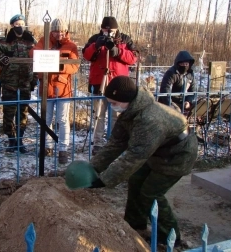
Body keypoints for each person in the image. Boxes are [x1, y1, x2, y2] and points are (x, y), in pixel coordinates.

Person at [84, 76, 198, 247]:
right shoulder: (130, 112)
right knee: (136, 180)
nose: (111, 105)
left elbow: (134, 157)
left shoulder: (149, 119)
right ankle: (135, 225)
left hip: (177, 155)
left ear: (126, 100)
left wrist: (104, 180)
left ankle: (169, 238)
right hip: (156, 151)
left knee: (151, 193)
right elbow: (116, 144)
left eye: (113, 102)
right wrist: (93, 168)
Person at [82, 16, 138, 154]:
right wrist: (96, 46)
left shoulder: (125, 39)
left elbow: (133, 58)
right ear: (101, 29)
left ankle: (115, 141)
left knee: (116, 115)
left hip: (118, 84)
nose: (108, 33)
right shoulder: (95, 39)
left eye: (111, 30)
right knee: (99, 114)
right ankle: (98, 142)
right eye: (105, 30)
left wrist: (118, 51)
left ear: (116, 29)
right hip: (98, 82)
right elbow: (86, 55)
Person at [30, 18, 79, 164]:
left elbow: (75, 66)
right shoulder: (44, 41)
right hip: (46, 87)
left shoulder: (71, 46)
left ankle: (63, 149)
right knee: (46, 119)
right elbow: (33, 54)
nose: (60, 34)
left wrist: (61, 66)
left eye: (62, 31)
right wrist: (47, 53)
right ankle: (47, 146)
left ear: (66, 31)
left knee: (62, 120)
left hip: (63, 89)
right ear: (52, 31)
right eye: (56, 31)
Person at [0, 14, 37, 153]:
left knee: (23, 114)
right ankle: (11, 140)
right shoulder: (4, 42)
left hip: (25, 83)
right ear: (12, 26)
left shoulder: (31, 42)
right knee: (9, 113)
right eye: (16, 24)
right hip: (9, 83)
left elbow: (38, 60)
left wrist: (34, 79)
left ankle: (20, 141)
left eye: (22, 23)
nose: (19, 26)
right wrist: (2, 59)